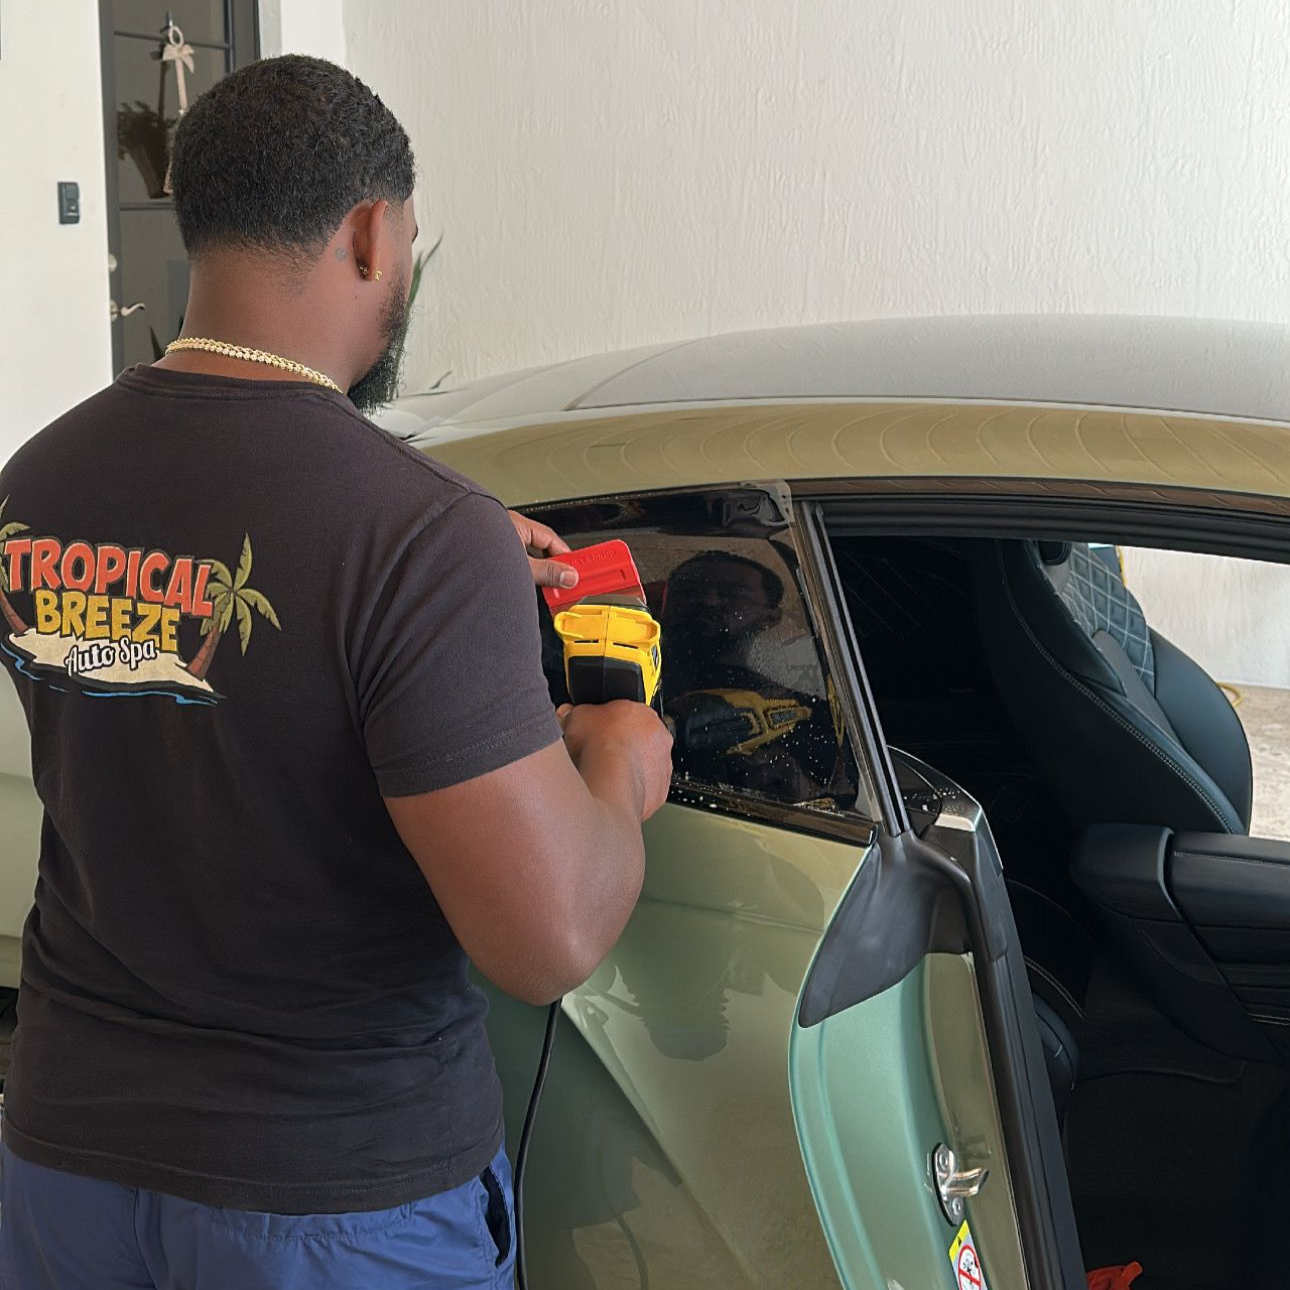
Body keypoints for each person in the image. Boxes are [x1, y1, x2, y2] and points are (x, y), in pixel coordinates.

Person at [0, 55, 671, 1290]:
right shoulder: (416, 533)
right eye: (408, 237)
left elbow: (185, 674)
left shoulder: (32, 484)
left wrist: (452, 592)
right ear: (371, 234)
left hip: (63, 1167)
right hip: (332, 1199)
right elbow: (550, 938)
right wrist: (620, 763)